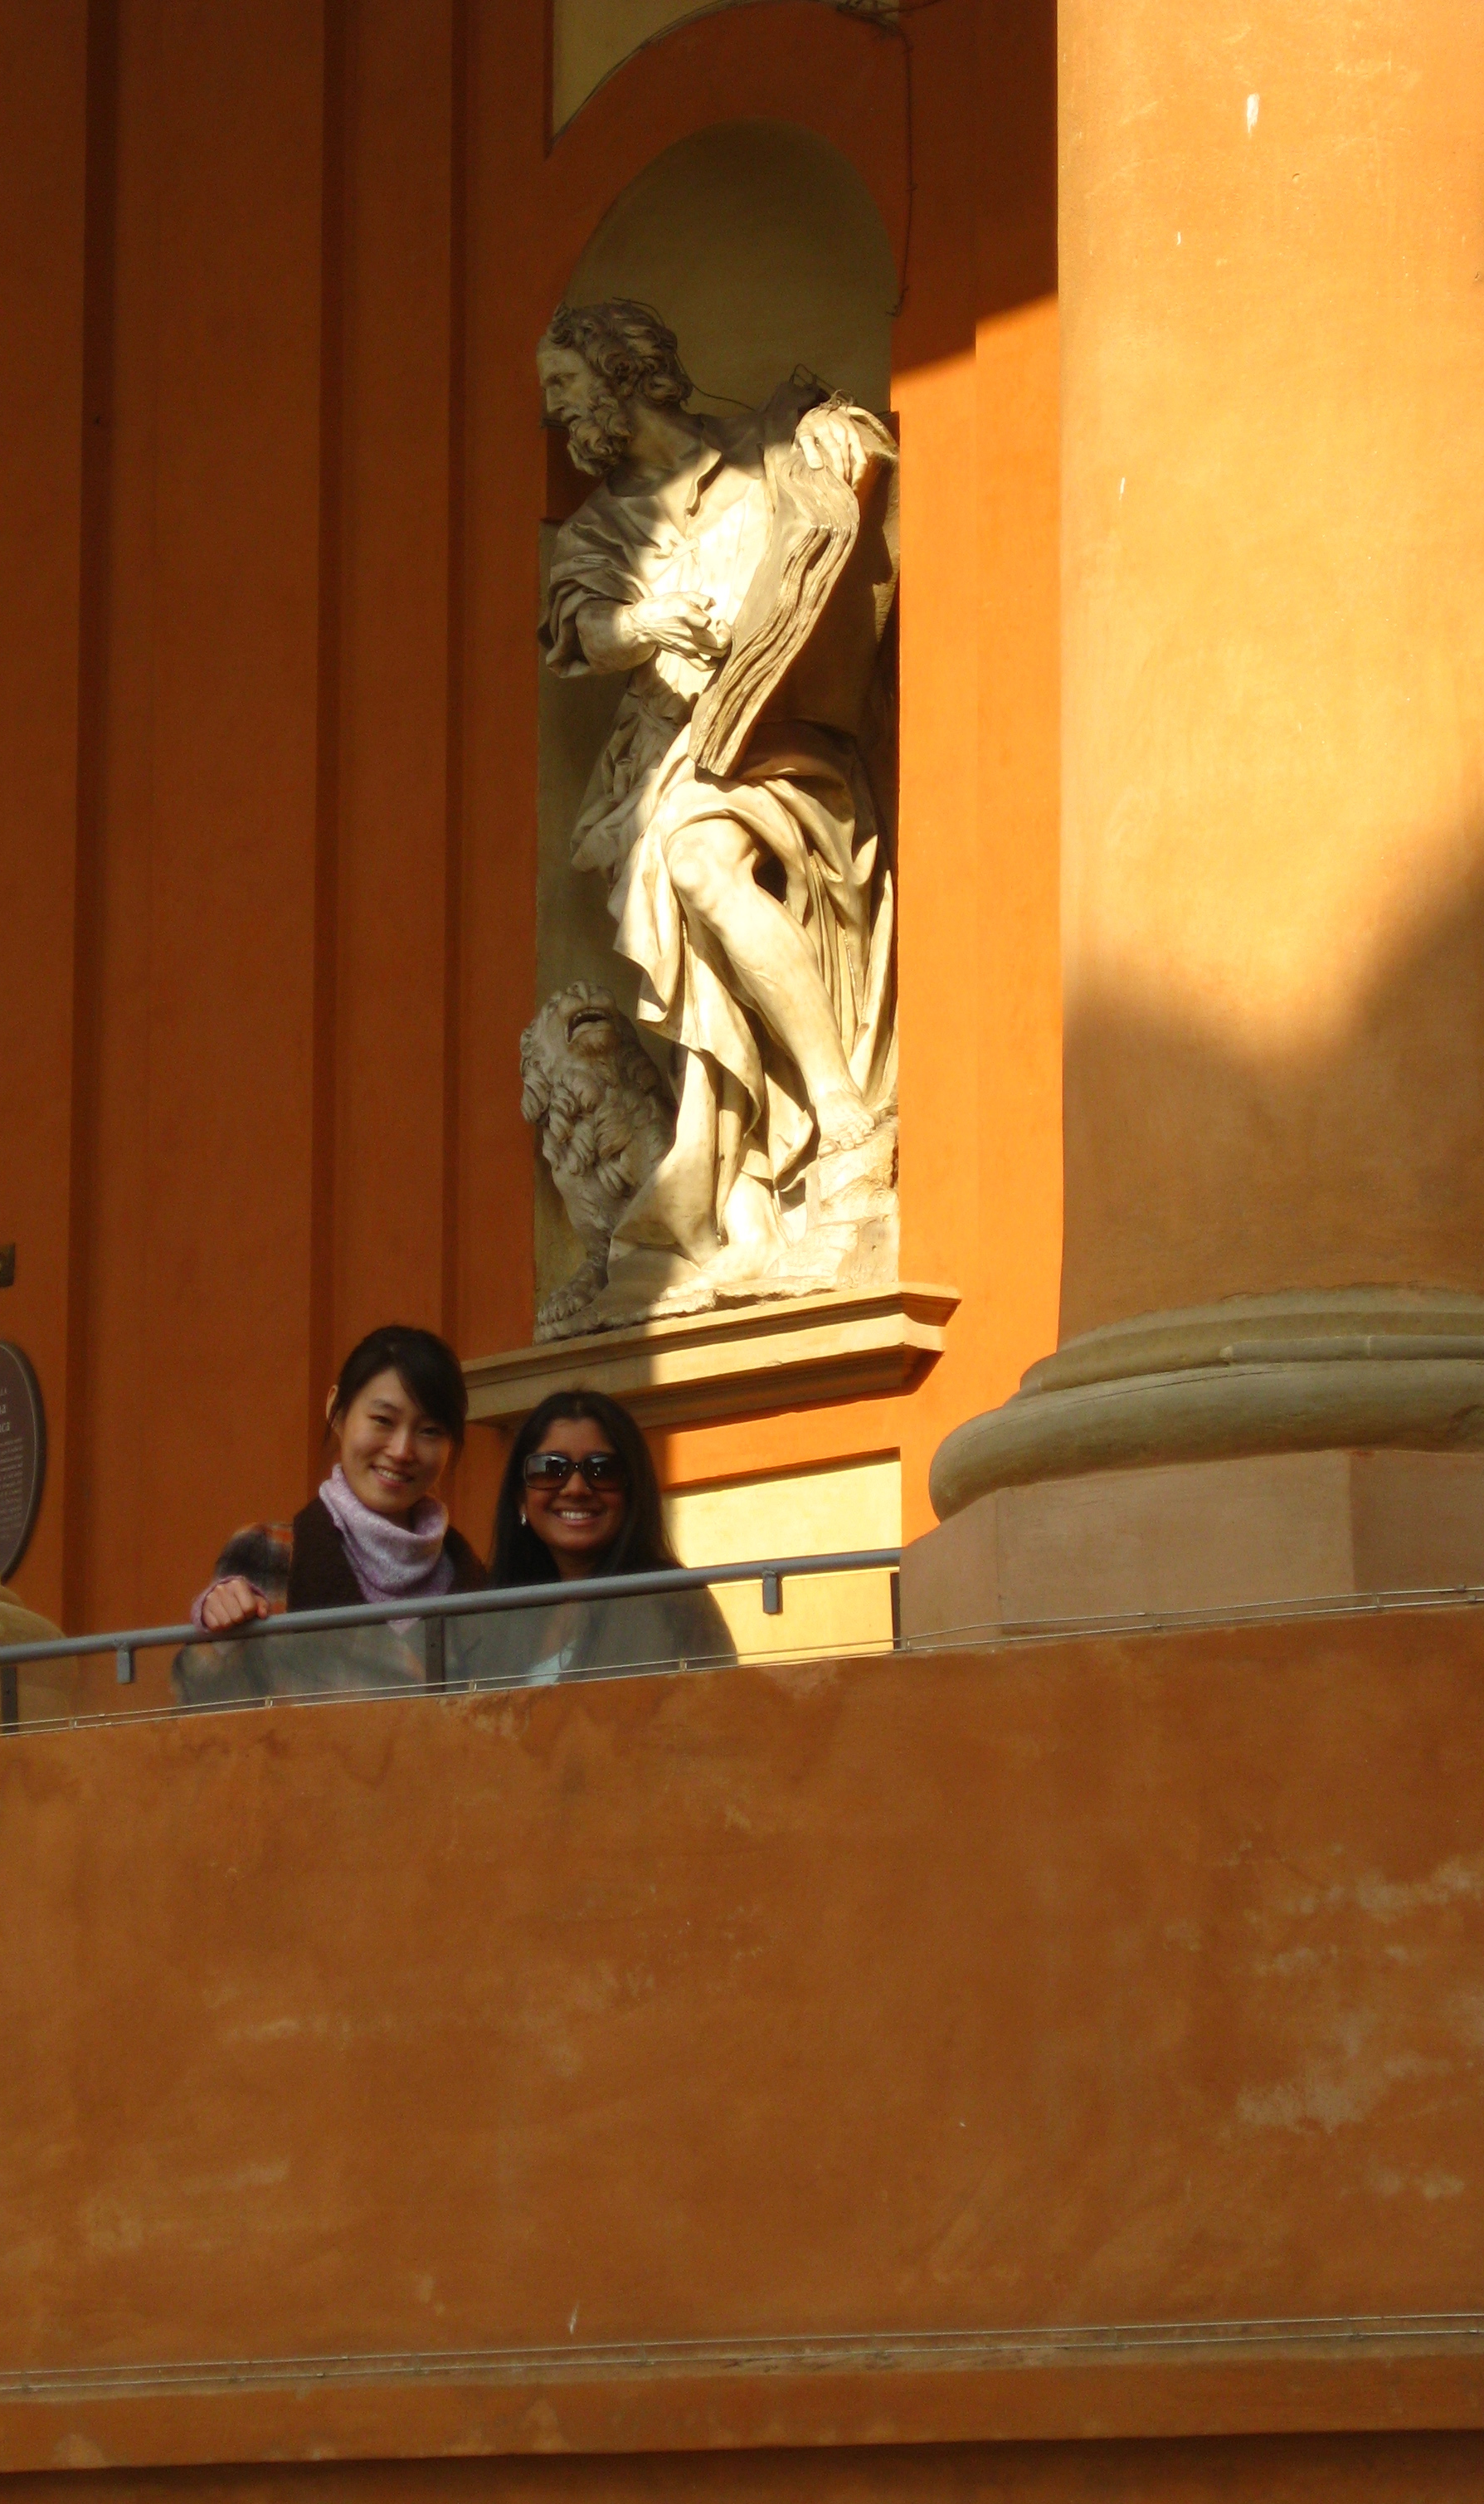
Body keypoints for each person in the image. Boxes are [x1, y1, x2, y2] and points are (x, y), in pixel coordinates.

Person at [538, 297, 899, 1282]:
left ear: (621, 373)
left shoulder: (768, 439)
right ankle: (769, 1179)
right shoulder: (597, 533)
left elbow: (863, 473)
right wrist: (649, 623)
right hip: (678, 753)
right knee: (689, 874)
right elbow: (588, 628)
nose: (557, 410)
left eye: (566, 383)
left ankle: (839, 1117)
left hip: (791, 733)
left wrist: (837, 434)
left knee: (696, 863)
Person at [173, 1325, 487, 1707]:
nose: (402, 1450)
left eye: (430, 1431)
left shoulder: (474, 1582)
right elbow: (201, 1703)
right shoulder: (271, 1554)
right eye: (383, 1420)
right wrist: (217, 1625)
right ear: (337, 1411)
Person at [450, 1388, 734, 1688]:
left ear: (632, 1493)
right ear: (521, 1498)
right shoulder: (497, 1614)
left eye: (602, 1470)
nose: (576, 1488)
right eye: (550, 1469)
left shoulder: (671, 1602)